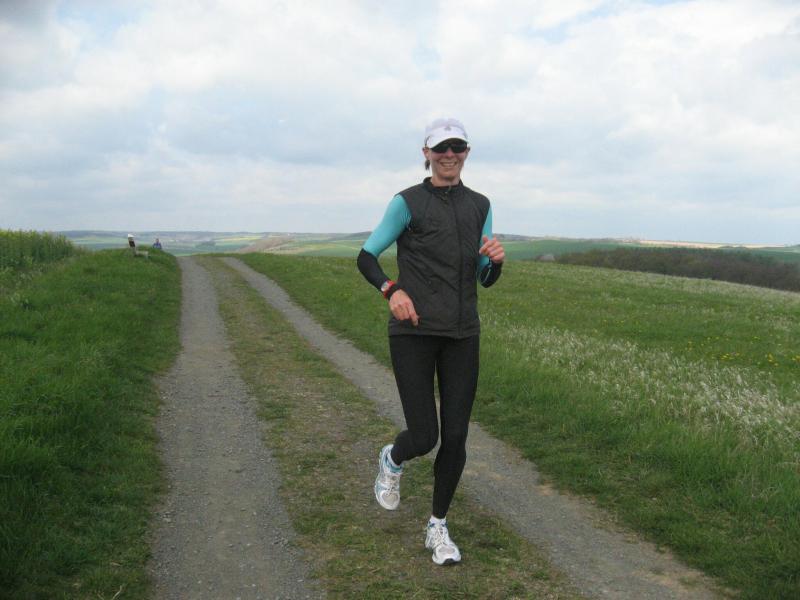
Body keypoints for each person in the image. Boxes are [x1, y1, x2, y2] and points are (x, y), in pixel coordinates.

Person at [357, 117, 505, 565]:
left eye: (457, 147)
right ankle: (393, 458)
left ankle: (437, 525)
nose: (449, 155)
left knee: (456, 437)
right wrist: (392, 291)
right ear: (426, 154)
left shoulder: (480, 205)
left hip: (462, 334)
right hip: (414, 333)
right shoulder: (407, 202)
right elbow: (367, 256)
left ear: (467, 153)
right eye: (441, 148)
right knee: (425, 435)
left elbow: (485, 278)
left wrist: (495, 262)